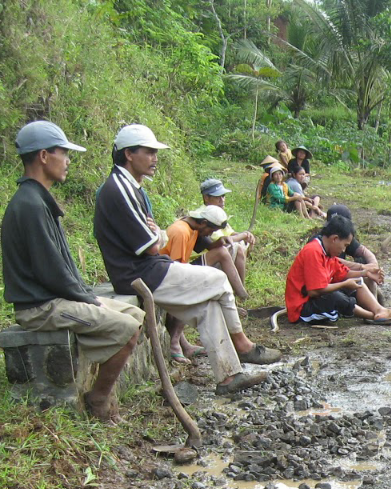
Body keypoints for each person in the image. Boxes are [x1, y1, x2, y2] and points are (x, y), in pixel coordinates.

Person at [94, 123, 280, 396]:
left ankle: (229, 377)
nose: (155, 158)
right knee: (218, 279)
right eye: (148, 151)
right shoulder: (118, 189)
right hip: (138, 273)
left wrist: (155, 234)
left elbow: (155, 237)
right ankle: (242, 344)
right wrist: (156, 235)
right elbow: (151, 247)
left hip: (147, 268)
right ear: (128, 154)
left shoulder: (134, 188)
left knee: (209, 309)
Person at [0, 121, 144, 423]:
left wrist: (87, 296)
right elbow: (50, 270)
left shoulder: (36, 199)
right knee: (126, 328)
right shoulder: (29, 205)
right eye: (63, 154)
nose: (67, 161)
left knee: (136, 316)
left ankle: (101, 389)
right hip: (41, 306)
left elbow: (57, 266)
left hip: (56, 298)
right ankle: (99, 400)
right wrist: (88, 300)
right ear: (43, 156)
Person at [284, 214, 391, 326]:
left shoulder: (327, 252)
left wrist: (365, 273)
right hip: (301, 309)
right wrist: (344, 284)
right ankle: (373, 316)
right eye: (345, 245)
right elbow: (314, 291)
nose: (344, 251)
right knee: (335, 296)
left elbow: (343, 273)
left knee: (357, 281)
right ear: (334, 239)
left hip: (315, 298)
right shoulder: (313, 251)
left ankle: (379, 310)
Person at [160, 204, 236, 362]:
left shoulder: (193, 228)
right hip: (166, 275)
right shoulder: (181, 231)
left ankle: (183, 344)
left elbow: (207, 246)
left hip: (175, 270)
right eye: (211, 231)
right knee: (193, 291)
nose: (210, 234)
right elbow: (177, 269)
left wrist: (220, 241)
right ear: (203, 223)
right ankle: (175, 343)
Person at [200, 178, 255, 301]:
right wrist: (243, 235)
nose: (222, 200)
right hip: (206, 263)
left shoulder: (218, 213)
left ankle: (239, 291)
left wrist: (245, 235)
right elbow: (225, 240)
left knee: (239, 244)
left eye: (223, 196)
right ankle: (240, 293)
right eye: (217, 196)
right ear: (206, 198)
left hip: (217, 260)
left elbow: (230, 233)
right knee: (237, 247)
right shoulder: (205, 216)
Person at [326, 204, 386, 300]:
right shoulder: (322, 241)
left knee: (364, 261)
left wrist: (373, 265)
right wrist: (362, 268)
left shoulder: (345, 237)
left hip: (343, 274)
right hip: (329, 281)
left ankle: (376, 305)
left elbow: (364, 251)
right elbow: (331, 261)